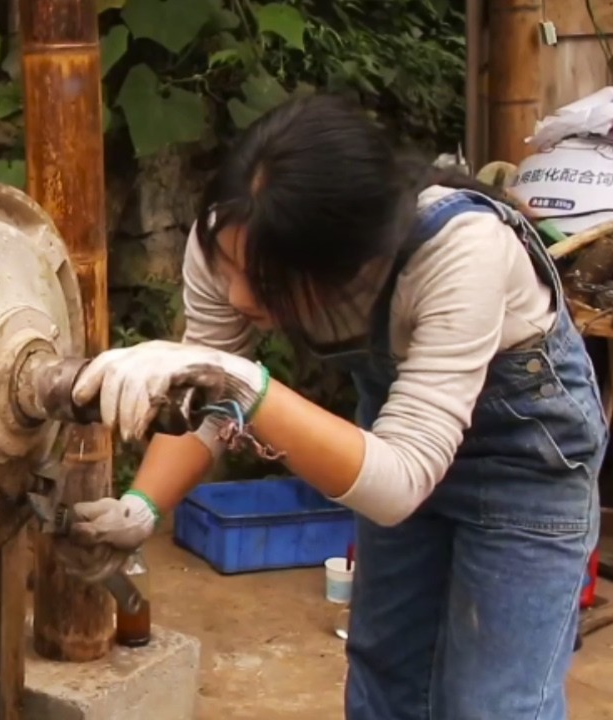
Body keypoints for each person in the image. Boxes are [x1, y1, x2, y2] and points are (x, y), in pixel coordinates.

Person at [58, 94, 607, 720]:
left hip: (523, 463)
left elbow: (397, 481)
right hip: (394, 445)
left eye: (264, 280)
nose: (237, 293)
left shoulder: (462, 250)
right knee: (386, 677)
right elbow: (212, 401)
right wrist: (141, 506)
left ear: (350, 263)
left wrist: (243, 382)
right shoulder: (232, 232)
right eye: (230, 265)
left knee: (492, 705)